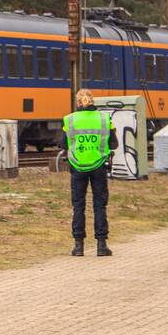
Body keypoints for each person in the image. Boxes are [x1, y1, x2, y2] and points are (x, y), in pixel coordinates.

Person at [63, 88, 118, 257]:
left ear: (78, 102)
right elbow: (114, 143)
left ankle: (78, 247)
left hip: (77, 167)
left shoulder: (70, 120)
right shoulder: (104, 119)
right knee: (99, 205)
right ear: (93, 100)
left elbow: (62, 144)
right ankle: (101, 246)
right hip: (99, 166)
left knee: (78, 206)